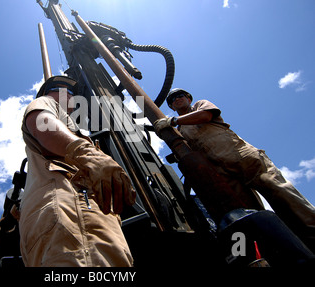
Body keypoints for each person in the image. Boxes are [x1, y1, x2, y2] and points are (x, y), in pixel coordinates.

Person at [154, 88, 315, 251]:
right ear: (172, 106)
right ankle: (283, 250)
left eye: (180, 96)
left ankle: (312, 234)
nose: (177, 99)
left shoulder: (199, 106)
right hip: (223, 172)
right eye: (172, 99)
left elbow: (205, 116)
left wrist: (172, 121)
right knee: (252, 214)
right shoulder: (180, 131)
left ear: (189, 98)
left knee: (282, 195)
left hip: (243, 157)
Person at [19, 75, 136, 267]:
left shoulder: (67, 124)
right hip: (72, 209)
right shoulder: (47, 102)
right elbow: (42, 123)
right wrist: (87, 153)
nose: (73, 99)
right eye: (70, 93)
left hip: (72, 212)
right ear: (55, 92)